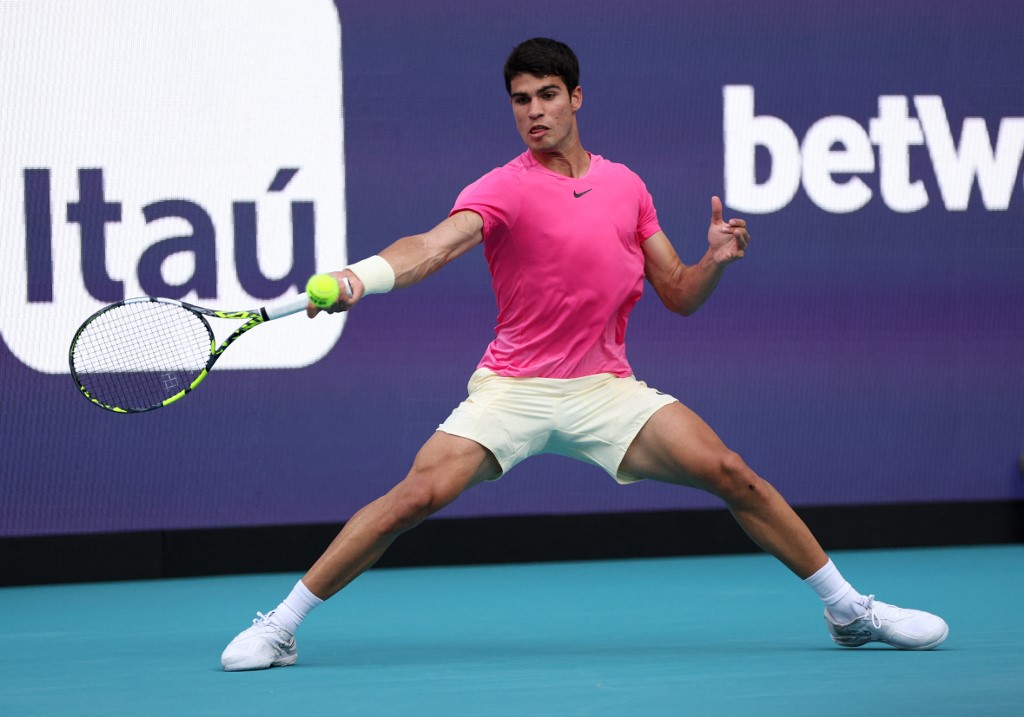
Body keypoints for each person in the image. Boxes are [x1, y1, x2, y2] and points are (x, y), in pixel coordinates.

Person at [220, 37, 948, 671]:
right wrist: (361, 276)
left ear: (575, 98)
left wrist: (716, 258)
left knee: (731, 471)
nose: (532, 111)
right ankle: (280, 626)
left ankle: (849, 611)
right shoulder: (501, 187)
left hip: (606, 388)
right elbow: (430, 247)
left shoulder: (627, 185)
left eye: (545, 96)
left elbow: (679, 294)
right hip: (514, 388)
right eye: (518, 100)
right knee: (413, 498)